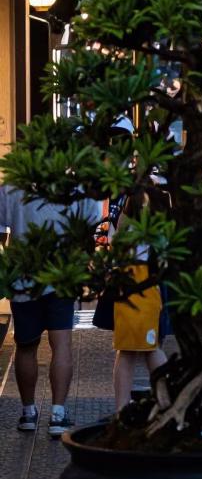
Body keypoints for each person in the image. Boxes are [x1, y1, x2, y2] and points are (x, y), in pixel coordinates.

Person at [0, 185, 97, 436]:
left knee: (26, 346)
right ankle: (57, 415)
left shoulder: (11, 186)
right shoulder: (75, 188)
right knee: (61, 345)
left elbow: (0, 233)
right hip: (61, 277)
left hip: (23, 278)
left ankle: (29, 413)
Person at [111, 191, 167, 412]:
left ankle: (123, 408)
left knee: (137, 349)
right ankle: (163, 402)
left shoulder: (130, 220)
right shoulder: (157, 221)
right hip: (144, 286)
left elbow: (116, 239)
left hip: (132, 285)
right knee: (145, 348)